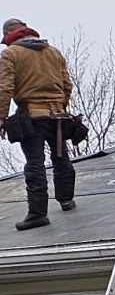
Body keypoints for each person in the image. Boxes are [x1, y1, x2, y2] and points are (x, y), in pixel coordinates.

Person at [0, 19, 76, 231]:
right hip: (58, 115)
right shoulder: (54, 52)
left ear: (9, 36)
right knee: (61, 156)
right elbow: (67, 85)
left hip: (31, 115)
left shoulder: (10, 54)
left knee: (35, 163)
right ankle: (66, 200)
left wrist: (1, 117)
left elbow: (5, 88)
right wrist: (60, 106)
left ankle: (37, 214)